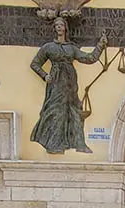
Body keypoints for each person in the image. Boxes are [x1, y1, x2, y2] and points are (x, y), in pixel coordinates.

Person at [29, 17, 107, 154]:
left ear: (65, 27)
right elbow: (35, 64)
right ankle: (54, 144)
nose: (59, 27)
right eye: (56, 25)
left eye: (61, 25)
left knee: (75, 110)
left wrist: (100, 45)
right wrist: (45, 75)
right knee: (55, 110)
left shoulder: (71, 48)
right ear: (54, 28)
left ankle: (79, 143)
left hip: (70, 82)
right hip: (56, 82)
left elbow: (89, 58)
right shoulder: (48, 47)